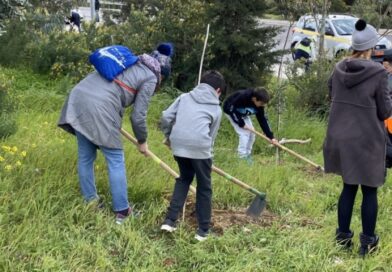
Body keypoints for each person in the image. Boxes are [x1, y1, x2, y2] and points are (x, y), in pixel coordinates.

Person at [58, 43, 173, 224]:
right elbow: (138, 116)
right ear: (162, 73)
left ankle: (91, 203)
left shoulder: (130, 62)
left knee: (86, 157)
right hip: (99, 107)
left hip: (79, 97)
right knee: (115, 158)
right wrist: (142, 140)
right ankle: (123, 212)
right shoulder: (151, 76)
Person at [323, 19, 392, 257]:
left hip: (340, 138)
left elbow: (331, 93)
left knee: (348, 187)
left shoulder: (339, 67)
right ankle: (368, 243)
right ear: (372, 47)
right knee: (370, 191)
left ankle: (343, 238)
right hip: (367, 140)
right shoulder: (379, 73)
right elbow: (385, 111)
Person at [159, 70, 226, 241]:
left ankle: (169, 221)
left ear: (200, 84)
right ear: (218, 91)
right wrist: (206, 154)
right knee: (204, 186)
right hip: (201, 148)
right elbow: (212, 136)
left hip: (178, 145)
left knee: (184, 178)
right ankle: (203, 230)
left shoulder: (184, 97)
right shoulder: (216, 109)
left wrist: (169, 137)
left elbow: (166, 117)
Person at [223, 87, 277, 164]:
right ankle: (241, 157)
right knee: (244, 133)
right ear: (254, 99)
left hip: (243, 114)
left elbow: (262, 120)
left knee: (252, 134)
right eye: (261, 103)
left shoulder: (260, 106)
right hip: (231, 111)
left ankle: (247, 155)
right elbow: (231, 109)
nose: (262, 105)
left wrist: (271, 137)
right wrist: (241, 123)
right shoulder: (243, 96)